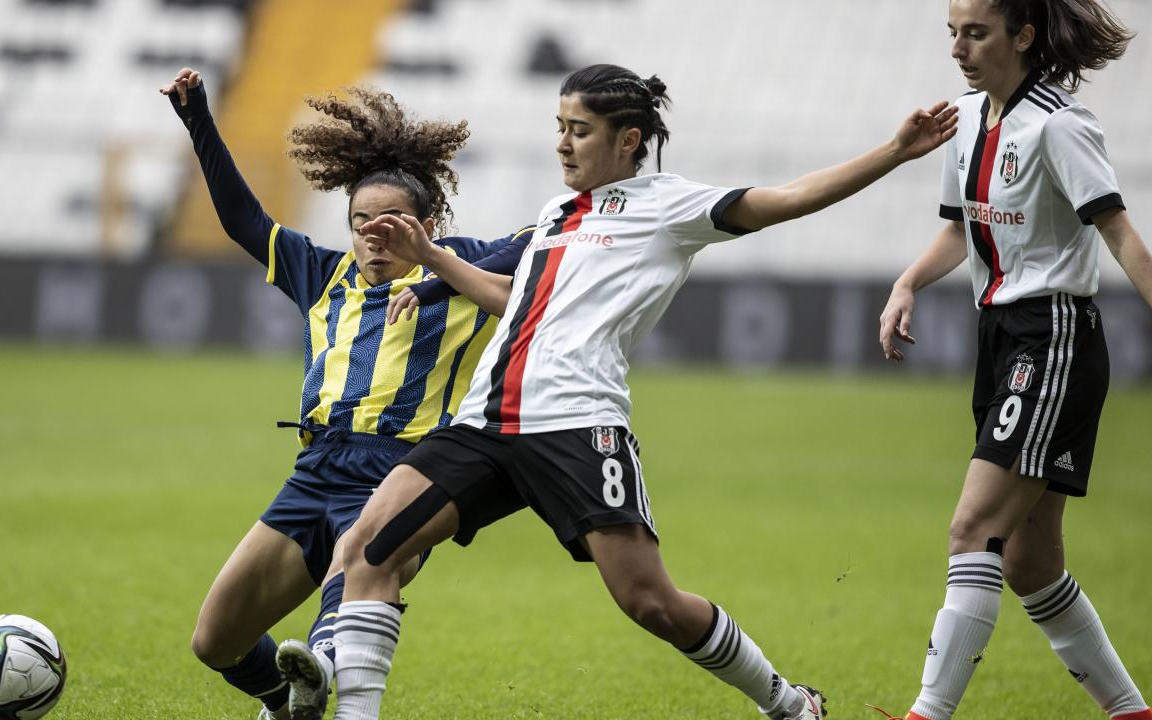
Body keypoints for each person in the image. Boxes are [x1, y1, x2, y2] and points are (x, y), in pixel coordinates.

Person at [303, 63, 958, 720]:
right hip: (486, 422)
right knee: (368, 548)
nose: (562, 143)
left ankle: (788, 704)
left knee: (650, 602)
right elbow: (520, 301)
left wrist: (895, 151)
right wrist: (433, 260)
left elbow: (789, 197)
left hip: (574, 426)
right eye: (560, 127)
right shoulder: (557, 212)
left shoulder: (668, 206)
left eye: (579, 130)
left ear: (627, 140)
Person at [159, 68, 535, 720]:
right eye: (362, 222)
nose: (374, 236)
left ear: (427, 224)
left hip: (404, 473)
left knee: (350, 590)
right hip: (315, 470)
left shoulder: (464, 269)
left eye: (392, 223)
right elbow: (244, 220)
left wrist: (437, 263)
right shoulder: (322, 273)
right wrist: (199, 122)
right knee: (215, 640)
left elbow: (544, 243)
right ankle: (288, 702)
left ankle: (325, 664)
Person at [871, 1, 1152, 718]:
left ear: (1024, 36)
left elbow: (1117, 229)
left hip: (1054, 338)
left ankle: (927, 713)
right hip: (1001, 337)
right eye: (952, 33)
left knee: (972, 529)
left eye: (975, 33)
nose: (958, 48)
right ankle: (1134, 714)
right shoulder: (962, 120)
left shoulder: (1059, 124)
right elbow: (961, 231)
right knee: (1030, 563)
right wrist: (908, 282)